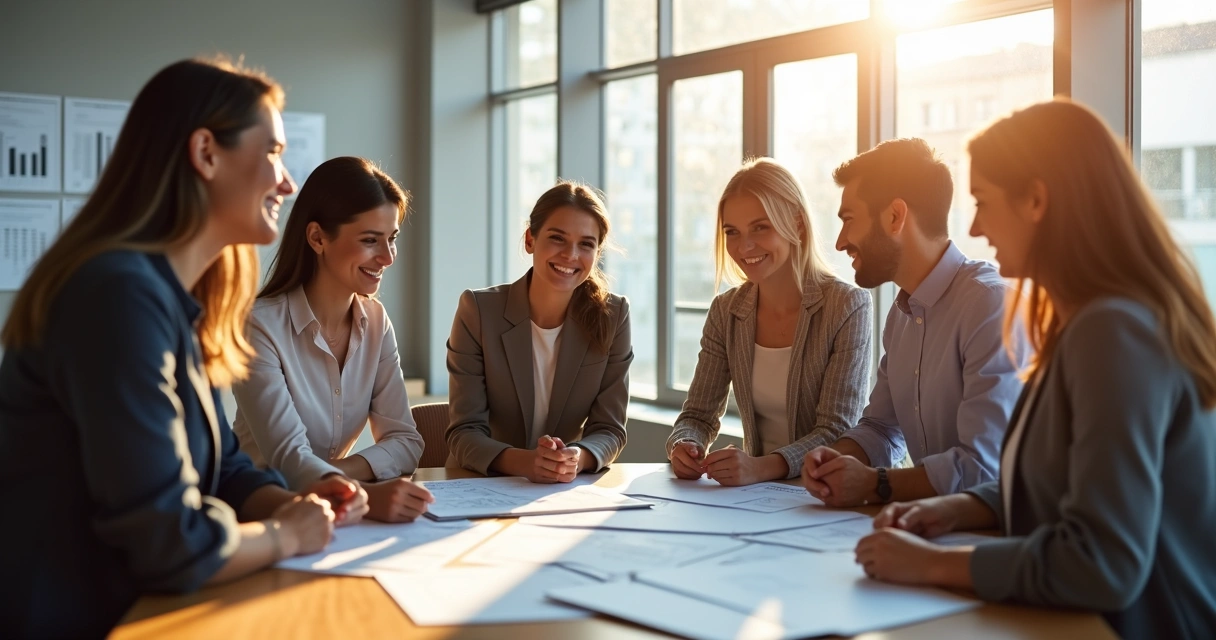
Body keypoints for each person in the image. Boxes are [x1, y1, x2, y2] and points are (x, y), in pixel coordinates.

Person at [0, 58, 366, 638]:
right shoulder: (118, 295)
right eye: (271, 152)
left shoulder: (173, 297)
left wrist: (290, 501)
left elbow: (221, 463)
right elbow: (169, 542)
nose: (287, 182)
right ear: (206, 153)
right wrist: (285, 535)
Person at [854, 98, 1216, 640]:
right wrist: (955, 510)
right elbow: (1057, 484)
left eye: (983, 202)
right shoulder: (1086, 324)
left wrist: (930, 564)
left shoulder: (1112, 332)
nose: (975, 225)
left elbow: (1101, 560)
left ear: (1037, 200)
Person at [801, 138, 1026, 506]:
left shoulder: (989, 305)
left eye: (849, 220)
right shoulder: (901, 315)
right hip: (932, 525)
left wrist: (876, 485)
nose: (840, 243)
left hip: (990, 539)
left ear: (894, 216)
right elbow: (881, 428)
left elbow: (984, 469)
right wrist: (835, 460)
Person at [232, 156, 432, 523]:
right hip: (263, 516)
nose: (387, 257)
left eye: (392, 239)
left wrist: (339, 473)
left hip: (334, 514)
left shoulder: (375, 321)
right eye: (371, 240)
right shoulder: (258, 326)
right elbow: (289, 459)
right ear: (317, 238)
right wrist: (365, 493)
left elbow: (406, 442)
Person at [665, 158, 873, 485]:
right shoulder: (726, 310)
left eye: (760, 227)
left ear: (798, 225)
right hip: (758, 498)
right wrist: (685, 444)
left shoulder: (846, 305)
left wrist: (760, 467)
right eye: (732, 232)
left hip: (824, 492)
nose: (744, 246)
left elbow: (836, 432)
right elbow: (697, 416)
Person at [446, 181, 632, 481]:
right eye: (557, 238)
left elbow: (609, 429)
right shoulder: (478, 310)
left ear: (597, 252)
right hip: (479, 483)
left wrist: (577, 457)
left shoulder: (614, 316)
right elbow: (464, 432)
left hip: (561, 487)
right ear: (530, 240)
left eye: (586, 244)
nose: (571, 255)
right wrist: (526, 463)